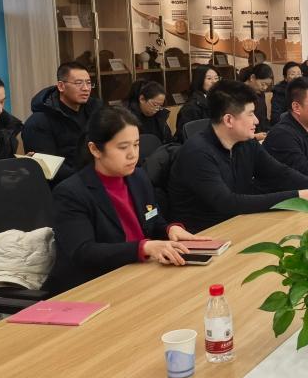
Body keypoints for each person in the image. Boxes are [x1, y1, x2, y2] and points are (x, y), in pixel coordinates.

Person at [44, 107, 204, 294]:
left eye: (136, 145)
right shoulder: (71, 193)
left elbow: (152, 221)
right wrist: (144, 247)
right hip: (93, 286)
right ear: (95, 149)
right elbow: (83, 252)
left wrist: (170, 229)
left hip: (139, 273)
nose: (133, 154)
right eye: (123, 147)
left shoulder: (139, 177)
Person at [169, 81, 308, 232]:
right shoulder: (197, 153)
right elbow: (228, 203)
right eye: (250, 114)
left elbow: (278, 172)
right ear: (228, 120)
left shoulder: (245, 142)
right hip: (207, 235)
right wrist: (296, 197)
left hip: (240, 224)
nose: (257, 121)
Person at [22, 61, 103, 182]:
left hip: (96, 177)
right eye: (78, 83)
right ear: (61, 86)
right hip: (64, 185)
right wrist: (87, 179)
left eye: (88, 83)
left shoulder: (96, 110)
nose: (86, 88)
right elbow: (48, 168)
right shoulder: (39, 122)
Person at [175, 65, 219, 140]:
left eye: (216, 78)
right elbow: (187, 136)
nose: (214, 81)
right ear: (200, 81)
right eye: (209, 78)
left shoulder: (218, 100)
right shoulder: (192, 106)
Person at [124, 79, 173, 145]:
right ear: (142, 99)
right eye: (155, 105)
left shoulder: (160, 116)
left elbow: (169, 141)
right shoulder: (128, 119)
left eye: (160, 105)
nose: (157, 109)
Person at [239, 63, 274, 134]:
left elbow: (263, 117)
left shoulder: (260, 92)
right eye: (263, 84)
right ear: (252, 78)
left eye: (267, 85)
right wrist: (256, 136)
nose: (265, 88)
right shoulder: (239, 93)